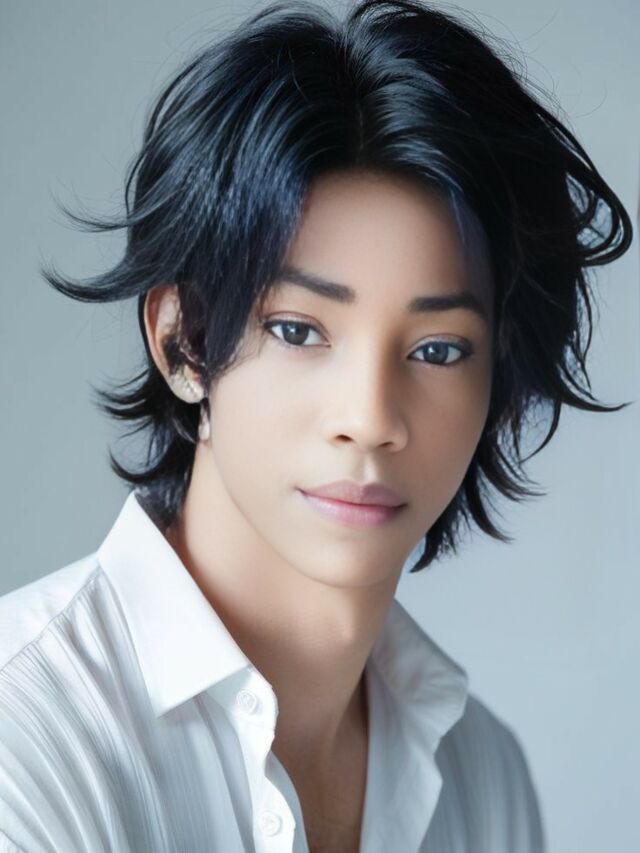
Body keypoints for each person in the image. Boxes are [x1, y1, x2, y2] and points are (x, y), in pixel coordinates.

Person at [0, 1, 632, 851]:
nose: (369, 420)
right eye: (299, 331)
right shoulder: (26, 738)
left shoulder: (483, 774)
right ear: (182, 342)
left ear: (501, 385)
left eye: (438, 349)